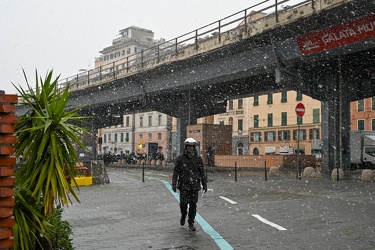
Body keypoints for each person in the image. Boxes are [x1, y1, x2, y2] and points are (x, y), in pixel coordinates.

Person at [172, 138, 207, 231]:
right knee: (183, 204)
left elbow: (202, 172)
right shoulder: (180, 158)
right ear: (186, 147)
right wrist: (174, 183)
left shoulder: (198, 159)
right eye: (188, 146)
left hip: (194, 186)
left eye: (192, 146)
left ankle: (191, 222)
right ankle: (183, 215)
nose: (190, 148)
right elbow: (176, 172)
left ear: (194, 147)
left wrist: (204, 184)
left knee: (193, 205)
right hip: (184, 185)